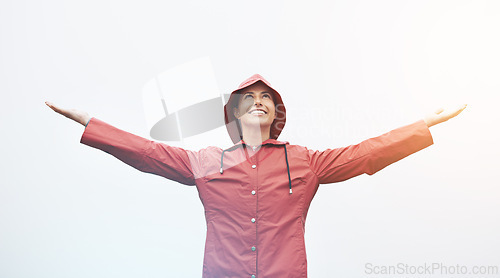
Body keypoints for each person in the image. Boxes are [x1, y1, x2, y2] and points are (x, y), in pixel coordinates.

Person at [45, 74, 466, 278]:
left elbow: (365, 154)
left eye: (266, 98)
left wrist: (421, 125)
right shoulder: (208, 162)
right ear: (235, 113)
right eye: (250, 98)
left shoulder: (304, 161)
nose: (259, 102)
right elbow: (148, 153)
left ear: (275, 113)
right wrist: (92, 124)